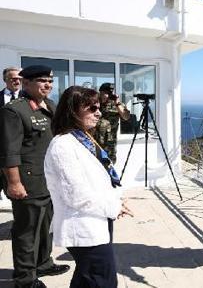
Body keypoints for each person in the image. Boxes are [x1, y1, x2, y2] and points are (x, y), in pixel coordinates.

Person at [44, 86, 133, 288]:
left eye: (98, 107)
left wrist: (116, 198)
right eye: (92, 108)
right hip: (82, 226)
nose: (99, 112)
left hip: (95, 219)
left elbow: (101, 174)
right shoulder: (63, 146)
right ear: (73, 111)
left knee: (88, 279)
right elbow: (76, 195)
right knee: (102, 279)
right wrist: (114, 207)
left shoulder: (82, 137)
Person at [0, 65, 70, 288]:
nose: (47, 85)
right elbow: (8, 151)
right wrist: (14, 183)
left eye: (49, 81)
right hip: (28, 181)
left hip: (49, 180)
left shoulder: (50, 105)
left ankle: (43, 262)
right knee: (26, 231)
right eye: (41, 81)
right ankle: (25, 278)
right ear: (26, 83)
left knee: (46, 225)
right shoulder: (14, 110)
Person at [94, 83, 130, 164]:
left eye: (110, 93)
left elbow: (126, 117)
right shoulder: (95, 103)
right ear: (100, 93)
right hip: (95, 141)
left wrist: (117, 103)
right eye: (106, 93)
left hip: (110, 142)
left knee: (109, 165)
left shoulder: (116, 104)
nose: (108, 95)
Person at [0, 67, 22, 201]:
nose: (17, 81)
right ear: (5, 80)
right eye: (13, 78)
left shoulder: (29, 99)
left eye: (20, 78)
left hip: (18, 153)